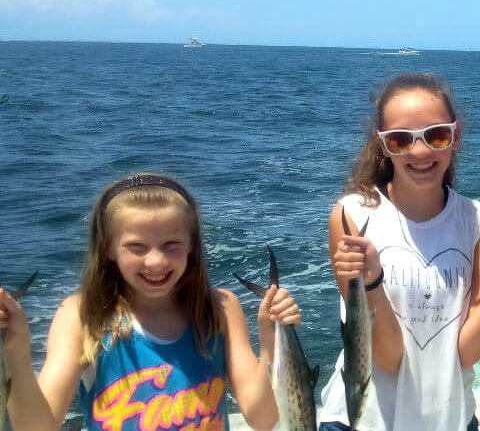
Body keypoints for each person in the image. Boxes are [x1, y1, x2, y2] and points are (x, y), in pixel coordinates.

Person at [318, 73, 480, 430]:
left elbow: (466, 353)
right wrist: (371, 280)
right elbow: (386, 358)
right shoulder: (352, 216)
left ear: (455, 138)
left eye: (436, 136)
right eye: (401, 140)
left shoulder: (479, 221)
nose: (420, 151)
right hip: (360, 420)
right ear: (384, 145)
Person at [0, 172, 300, 430]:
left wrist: (271, 340)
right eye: (137, 247)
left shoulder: (221, 307)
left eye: (171, 245)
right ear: (108, 249)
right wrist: (15, 348)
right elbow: (37, 426)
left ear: (192, 245)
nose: (155, 260)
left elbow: (262, 419)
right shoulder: (79, 315)